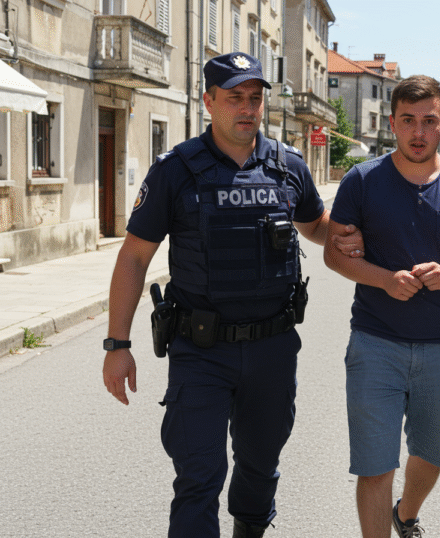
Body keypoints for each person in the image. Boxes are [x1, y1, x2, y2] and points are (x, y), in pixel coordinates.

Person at [101, 52, 364, 538]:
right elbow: (134, 257)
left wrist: (350, 236)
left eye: (255, 98)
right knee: (198, 478)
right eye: (234, 98)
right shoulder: (176, 171)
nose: (247, 108)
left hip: (273, 347)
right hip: (200, 350)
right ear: (208, 101)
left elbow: (315, 226)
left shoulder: (288, 167)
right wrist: (118, 345)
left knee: (259, 468)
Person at [323, 75, 440, 538]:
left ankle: (406, 512)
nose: (418, 132)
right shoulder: (362, 181)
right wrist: (384, 279)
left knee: (433, 453)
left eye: (428, 121)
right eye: (408, 121)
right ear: (393, 124)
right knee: (375, 464)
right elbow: (333, 254)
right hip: (374, 343)